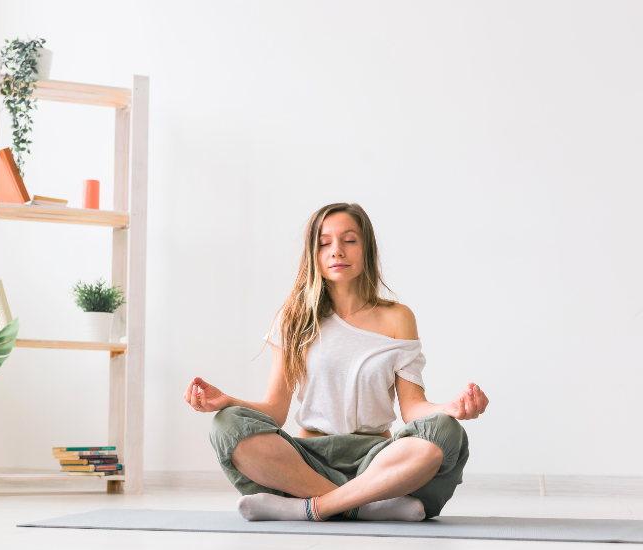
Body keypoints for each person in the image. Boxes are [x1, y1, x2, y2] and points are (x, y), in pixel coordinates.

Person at [182, 202, 489, 522]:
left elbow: (413, 409)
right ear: (312, 254)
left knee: (446, 432)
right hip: (306, 460)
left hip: (379, 460)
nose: (337, 251)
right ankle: (368, 503)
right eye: (324, 243)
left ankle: (314, 507)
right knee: (227, 425)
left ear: (367, 249)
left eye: (349, 240)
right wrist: (226, 401)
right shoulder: (293, 317)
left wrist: (449, 409)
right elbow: (275, 409)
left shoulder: (398, 317)